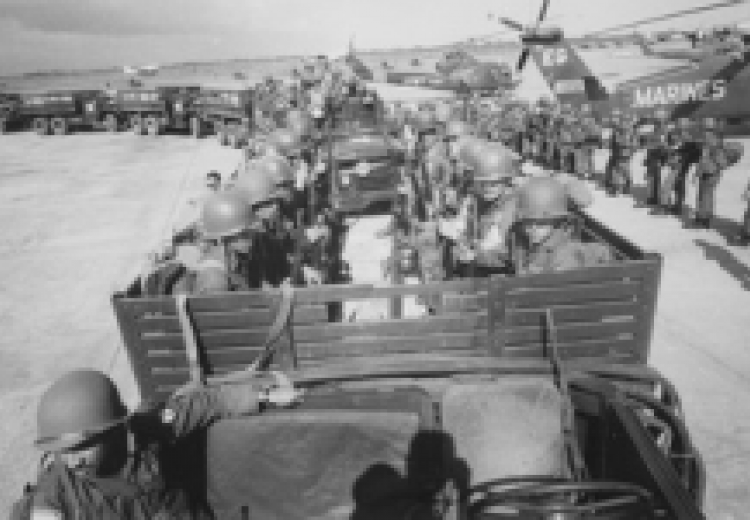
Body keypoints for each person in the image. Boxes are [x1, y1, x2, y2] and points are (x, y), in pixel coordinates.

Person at [13, 369, 301, 519]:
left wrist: (262, 396)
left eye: (81, 447)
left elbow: (203, 404)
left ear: (112, 431)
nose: (73, 461)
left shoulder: (147, 430)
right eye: (63, 453)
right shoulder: (56, 491)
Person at [512, 177, 614, 275]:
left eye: (541, 224)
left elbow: (553, 290)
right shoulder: (526, 240)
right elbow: (509, 254)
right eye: (527, 223)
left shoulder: (564, 256)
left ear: (558, 222)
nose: (532, 229)